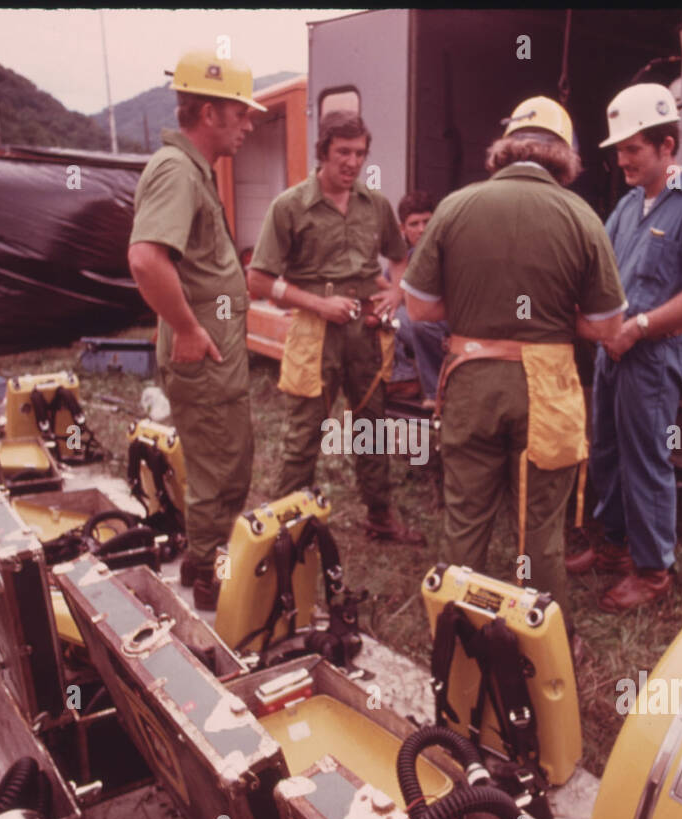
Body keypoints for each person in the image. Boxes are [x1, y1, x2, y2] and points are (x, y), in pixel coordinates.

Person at [402, 95, 627, 624]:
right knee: (539, 532)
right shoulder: (582, 216)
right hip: (544, 392)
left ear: (504, 151)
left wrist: (481, 313)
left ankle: (456, 635)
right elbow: (606, 327)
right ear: (565, 157)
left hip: (470, 380)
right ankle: (543, 643)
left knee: (466, 519)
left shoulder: (455, 207)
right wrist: (552, 317)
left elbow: (419, 306)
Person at [569, 83, 682, 612]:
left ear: (666, 145)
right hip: (614, 352)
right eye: (617, 151)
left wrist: (637, 327)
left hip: (654, 357)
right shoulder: (630, 205)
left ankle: (653, 569)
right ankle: (612, 547)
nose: (621, 161)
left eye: (632, 149)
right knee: (607, 451)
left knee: (646, 459)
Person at [127, 50, 265, 610]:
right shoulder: (175, 170)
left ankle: (202, 561)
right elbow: (145, 259)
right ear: (209, 113)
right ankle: (213, 581)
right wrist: (186, 328)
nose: (249, 125)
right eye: (241, 115)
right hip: (203, 355)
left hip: (216, 355)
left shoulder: (192, 171)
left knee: (227, 463)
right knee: (219, 470)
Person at [248, 110, 423, 543]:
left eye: (360, 153)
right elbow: (258, 279)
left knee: (371, 426)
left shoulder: (375, 205)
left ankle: (380, 518)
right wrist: (318, 304)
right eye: (343, 152)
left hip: (365, 330)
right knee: (305, 431)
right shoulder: (290, 206)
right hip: (315, 331)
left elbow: (399, 258)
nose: (352, 162)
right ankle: (282, 528)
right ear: (323, 151)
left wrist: (396, 294)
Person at [391, 191, 450, 407]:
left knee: (420, 321)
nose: (422, 229)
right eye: (414, 224)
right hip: (421, 319)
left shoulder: (448, 250)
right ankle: (404, 377)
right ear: (403, 229)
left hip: (446, 323)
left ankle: (436, 394)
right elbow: (391, 288)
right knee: (386, 314)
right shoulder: (407, 257)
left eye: (427, 221)